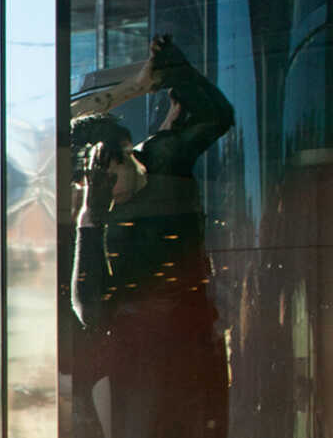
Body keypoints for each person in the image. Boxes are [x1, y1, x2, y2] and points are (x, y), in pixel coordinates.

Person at [68, 35, 233, 438]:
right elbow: (90, 309)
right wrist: (91, 218)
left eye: (110, 175)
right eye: (94, 181)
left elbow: (218, 118)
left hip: (191, 342)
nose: (109, 189)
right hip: (138, 362)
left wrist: (179, 74)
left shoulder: (160, 157)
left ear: (128, 151)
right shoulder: (97, 210)